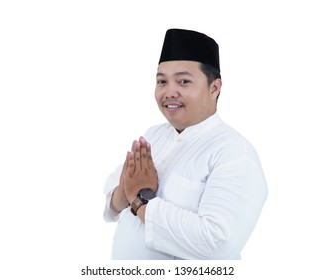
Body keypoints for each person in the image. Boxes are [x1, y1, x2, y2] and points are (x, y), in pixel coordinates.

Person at [103, 28, 268, 260]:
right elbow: (112, 192)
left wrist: (140, 199)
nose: (170, 92)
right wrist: (125, 192)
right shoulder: (154, 135)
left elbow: (217, 243)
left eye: (183, 81)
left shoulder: (234, 153)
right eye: (162, 81)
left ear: (214, 88)